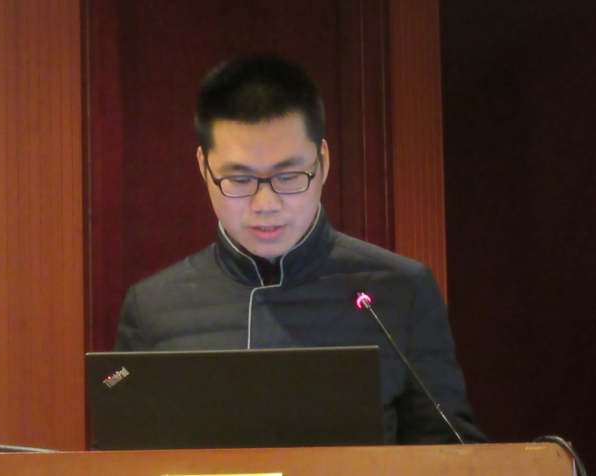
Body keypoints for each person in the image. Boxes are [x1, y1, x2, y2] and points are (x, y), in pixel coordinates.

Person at [115, 55, 485, 445]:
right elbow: (119, 460)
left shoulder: (402, 291)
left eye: (288, 176)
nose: (265, 203)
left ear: (322, 162)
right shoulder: (152, 308)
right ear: (204, 168)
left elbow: (453, 456)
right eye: (239, 179)